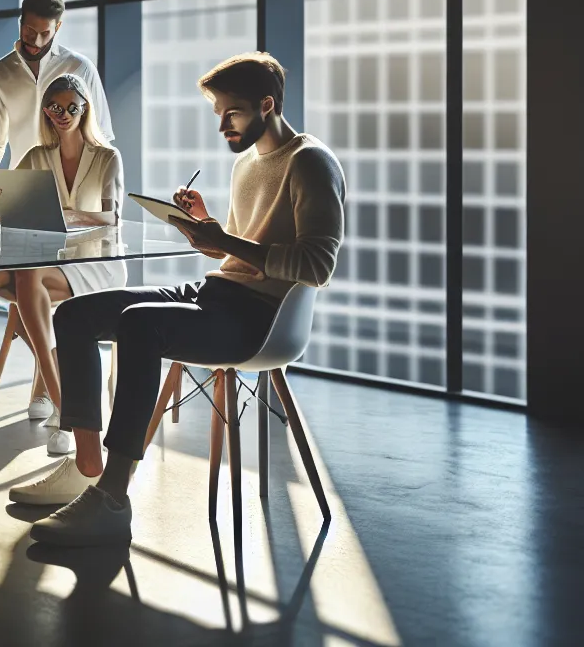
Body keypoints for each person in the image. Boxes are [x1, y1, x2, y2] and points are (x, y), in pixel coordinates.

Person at [20, 53, 344, 547]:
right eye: (218, 114)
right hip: (220, 293)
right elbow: (244, 249)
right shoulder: (247, 163)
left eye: (230, 113)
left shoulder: (311, 162)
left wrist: (227, 243)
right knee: (76, 313)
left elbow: (317, 266)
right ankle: (88, 464)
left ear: (266, 104)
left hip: (261, 319)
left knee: (140, 324)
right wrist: (209, 231)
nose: (222, 126)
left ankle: (112, 497)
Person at [0, 76, 125, 464]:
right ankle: (61, 396)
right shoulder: (35, 157)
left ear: (85, 109)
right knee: (18, 275)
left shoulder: (106, 157)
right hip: (49, 262)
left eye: (72, 108)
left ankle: (58, 405)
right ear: (46, 111)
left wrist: (72, 215)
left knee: (27, 278)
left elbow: (113, 218)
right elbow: (13, 212)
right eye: (55, 108)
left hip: (96, 264)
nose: (63, 115)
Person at [0, 0, 113, 172]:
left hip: (75, 185)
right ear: (20, 23)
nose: (36, 41)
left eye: (45, 33)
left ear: (58, 27)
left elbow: (99, 137)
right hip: (22, 187)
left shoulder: (81, 68)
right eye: (29, 31)